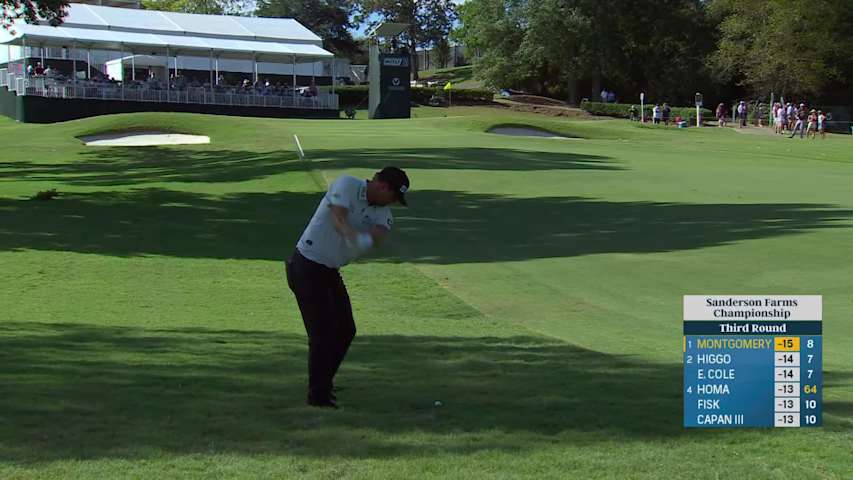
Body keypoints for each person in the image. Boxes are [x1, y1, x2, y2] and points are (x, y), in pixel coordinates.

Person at [286, 167, 411, 408]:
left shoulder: (382, 211)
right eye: (394, 197)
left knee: (345, 330)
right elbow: (338, 218)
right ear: (384, 187)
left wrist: (368, 240)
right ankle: (318, 397)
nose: (393, 203)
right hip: (307, 265)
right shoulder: (347, 185)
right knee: (321, 334)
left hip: (330, 270)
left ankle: (323, 382)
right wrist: (354, 237)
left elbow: (380, 234)